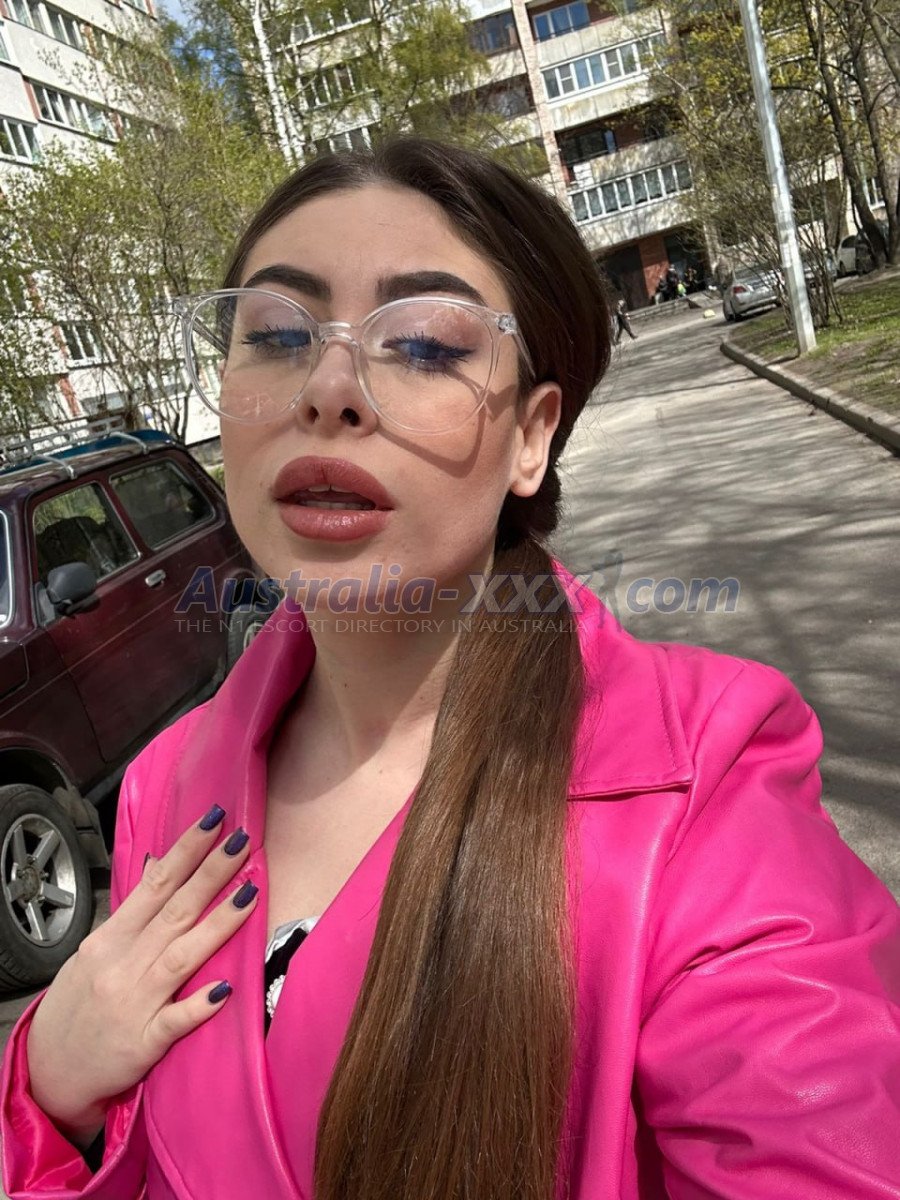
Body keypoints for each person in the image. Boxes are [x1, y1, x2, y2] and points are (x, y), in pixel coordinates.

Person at [2, 137, 899, 1200]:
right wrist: (47, 1092)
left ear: (531, 437)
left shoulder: (698, 786)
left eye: (424, 346)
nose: (328, 389)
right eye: (276, 336)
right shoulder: (165, 790)